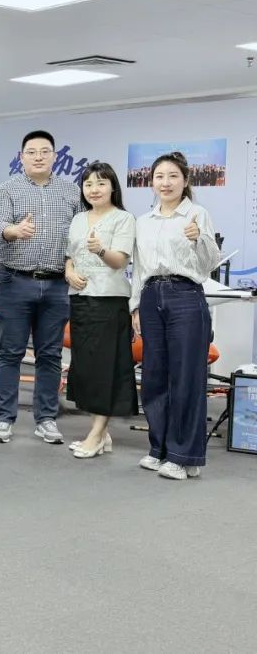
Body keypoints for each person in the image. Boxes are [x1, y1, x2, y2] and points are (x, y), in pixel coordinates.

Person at [131, 152, 219, 480]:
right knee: (154, 376)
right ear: (151, 182)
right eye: (159, 177)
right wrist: (135, 306)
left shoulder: (197, 214)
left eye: (172, 176)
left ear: (185, 181)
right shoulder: (143, 221)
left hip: (185, 295)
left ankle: (183, 456)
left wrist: (200, 239)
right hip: (151, 296)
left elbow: (209, 264)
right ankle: (160, 449)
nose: (165, 183)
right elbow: (139, 267)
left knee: (186, 377)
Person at [0, 130, 80, 445]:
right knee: (9, 353)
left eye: (44, 151)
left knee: (50, 354)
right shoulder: (7, 189)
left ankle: (46, 419)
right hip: (16, 280)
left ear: (54, 156)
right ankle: (3, 418)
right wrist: (13, 231)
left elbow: (80, 234)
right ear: (21, 157)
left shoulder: (71, 191)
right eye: (31, 152)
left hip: (56, 284)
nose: (38, 157)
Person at [63, 162, 138, 459]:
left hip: (108, 300)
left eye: (101, 183)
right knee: (87, 368)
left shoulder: (123, 218)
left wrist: (101, 250)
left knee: (106, 368)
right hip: (81, 299)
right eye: (89, 184)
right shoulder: (78, 219)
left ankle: (96, 435)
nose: (94, 189)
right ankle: (101, 433)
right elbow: (70, 255)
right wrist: (69, 271)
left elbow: (120, 261)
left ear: (113, 187)